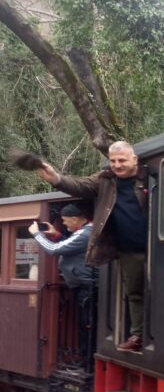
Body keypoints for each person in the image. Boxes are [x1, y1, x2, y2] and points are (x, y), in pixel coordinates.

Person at [36, 141, 147, 352]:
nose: (117, 165)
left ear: (135, 159)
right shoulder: (105, 179)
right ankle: (139, 335)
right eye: (113, 161)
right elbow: (81, 185)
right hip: (128, 249)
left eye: (122, 160)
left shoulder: (148, 177)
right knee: (134, 292)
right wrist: (56, 179)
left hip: (158, 245)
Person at [29, 204, 98, 362]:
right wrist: (56, 234)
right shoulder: (83, 232)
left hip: (87, 288)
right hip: (84, 286)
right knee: (85, 325)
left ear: (75, 219)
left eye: (65, 220)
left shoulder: (85, 233)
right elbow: (70, 247)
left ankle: (87, 362)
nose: (64, 223)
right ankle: (86, 360)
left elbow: (53, 250)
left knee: (87, 326)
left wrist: (37, 235)